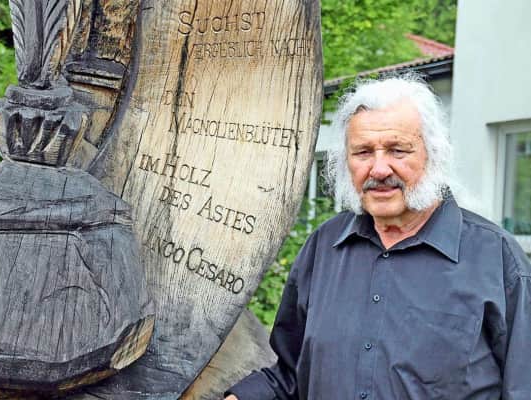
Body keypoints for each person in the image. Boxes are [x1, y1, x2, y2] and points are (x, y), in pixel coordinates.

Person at [225, 74, 531, 399]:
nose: (379, 169)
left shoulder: (497, 260)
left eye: (398, 150)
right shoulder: (323, 246)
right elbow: (290, 373)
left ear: (434, 154)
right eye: (363, 152)